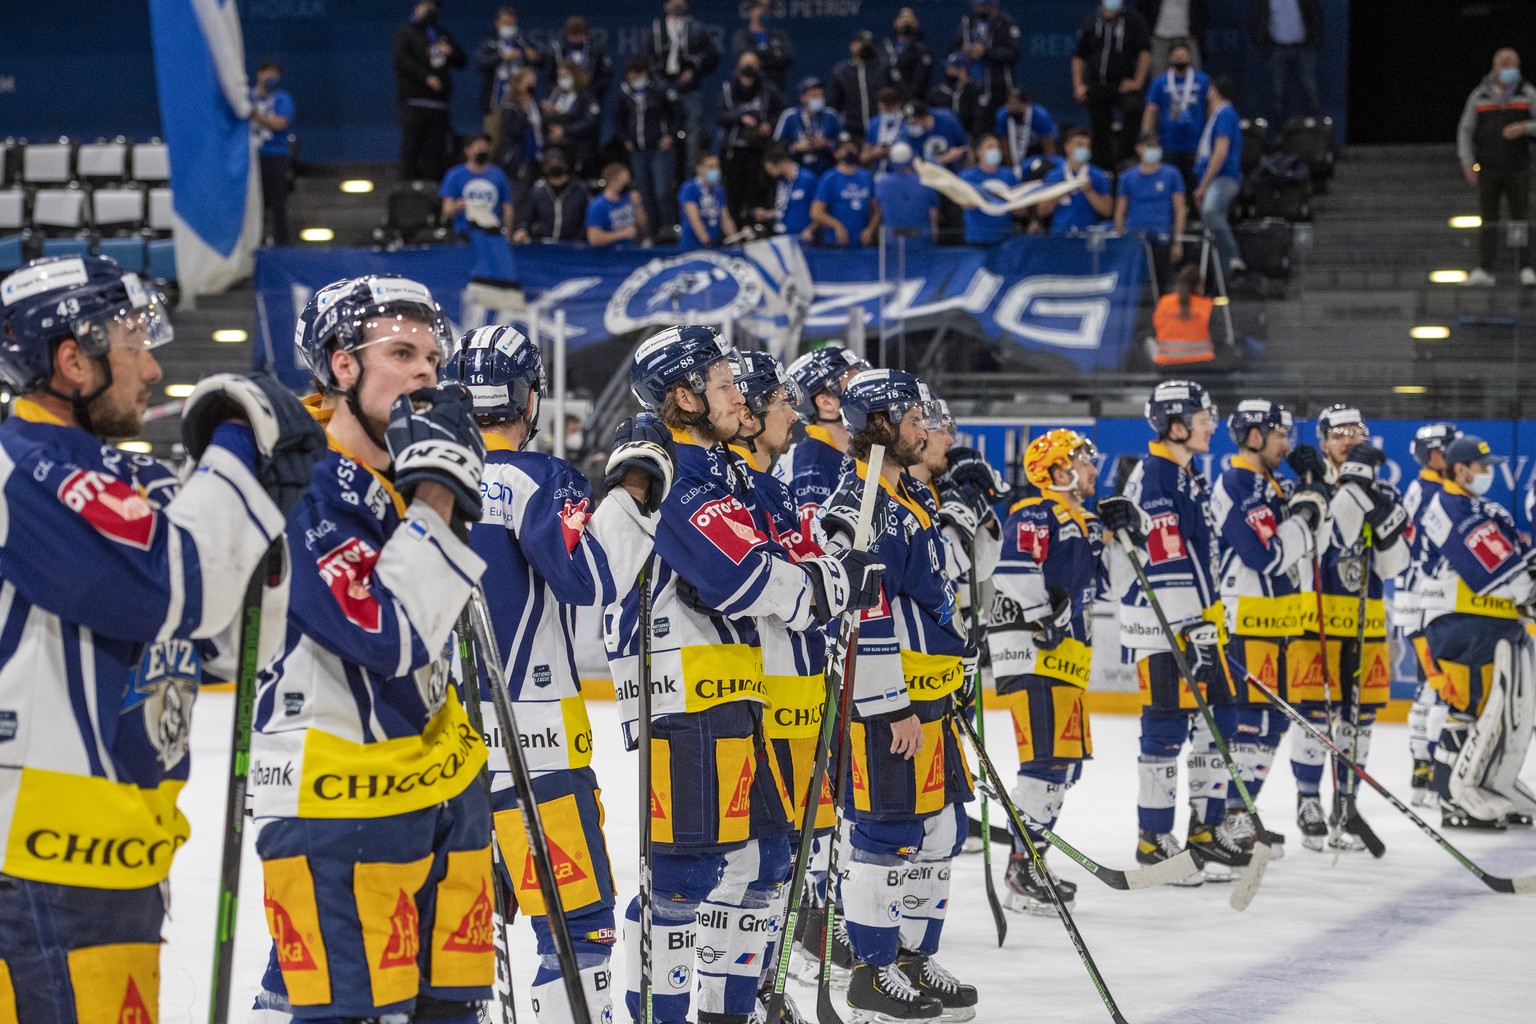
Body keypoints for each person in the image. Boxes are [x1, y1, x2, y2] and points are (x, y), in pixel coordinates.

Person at [0, 254, 322, 1024]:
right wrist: (240, 451)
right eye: (131, 343)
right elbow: (168, 592)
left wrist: (261, 537)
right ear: (72, 360)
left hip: (118, 853)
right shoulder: (22, 468)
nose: (152, 366)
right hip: (44, 865)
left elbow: (229, 643)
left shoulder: (123, 474)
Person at [604, 326, 882, 1024]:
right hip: (683, 697)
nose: (741, 396)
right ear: (683, 397)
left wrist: (830, 556)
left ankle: (729, 1013)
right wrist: (825, 586)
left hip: (738, 691)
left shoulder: (722, 471)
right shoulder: (673, 471)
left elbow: (786, 554)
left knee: (766, 861)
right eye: (724, 385)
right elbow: (746, 578)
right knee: (681, 878)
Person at [247, 275, 494, 1023]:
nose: (426, 371)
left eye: (431, 355)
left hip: (435, 797)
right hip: (339, 809)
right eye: (399, 352)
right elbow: (385, 635)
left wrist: (467, 808)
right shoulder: (303, 476)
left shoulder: (399, 478)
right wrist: (443, 496)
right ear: (341, 366)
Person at [446, 324, 672, 1024]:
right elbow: (589, 578)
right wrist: (633, 490)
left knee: (455, 935)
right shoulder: (535, 477)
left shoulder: (419, 476)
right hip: (534, 740)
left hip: (439, 740)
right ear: (529, 396)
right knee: (579, 928)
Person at [818, 368, 986, 1023]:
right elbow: (865, 612)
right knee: (889, 834)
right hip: (892, 705)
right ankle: (871, 973)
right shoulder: (860, 500)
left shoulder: (908, 494)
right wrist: (891, 704)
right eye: (915, 420)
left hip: (931, 695)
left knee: (941, 828)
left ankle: (912, 960)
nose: (927, 429)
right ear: (882, 426)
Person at [1098, 380, 1242, 881]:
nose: (1212, 424)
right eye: (1204, 417)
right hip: (1168, 630)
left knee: (1217, 723)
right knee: (1166, 729)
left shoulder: (1183, 472)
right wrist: (1194, 627)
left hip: (1198, 625)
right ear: (1176, 425)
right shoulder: (1158, 476)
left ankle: (1206, 829)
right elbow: (1165, 564)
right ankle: (1154, 838)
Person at [718, 351, 824, 1024]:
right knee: (750, 859)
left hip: (797, 697)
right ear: (750, 414)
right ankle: (735, 994)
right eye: (783, 401)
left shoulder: (777, 489)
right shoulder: (736, 489)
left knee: (780, 856)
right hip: (759, 705)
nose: (795, 412)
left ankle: (755, 986)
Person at [990, 429, 1105, 912]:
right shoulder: (1036, 510)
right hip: (1033, 656)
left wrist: (1125, 529)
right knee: (1044, 767)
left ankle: (1030, 857)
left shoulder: (1082, 519)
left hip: (1064, 661)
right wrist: (1045, 613)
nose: (1092, 468)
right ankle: (1022, 868)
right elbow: (1014, 569)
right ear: (1058, 471)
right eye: (1082, 461)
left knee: (1063, 769)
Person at [1211, 400, 1327, 860]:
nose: (1288, 444)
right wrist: (1303, 514)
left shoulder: (1273, 483)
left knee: (1275, 722)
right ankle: (1230, 815)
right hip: (1247, 621)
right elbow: (1266, 555)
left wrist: (1314, 489)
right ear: (1254, 436)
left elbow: (1313, 543)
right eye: (1280, 434)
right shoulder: (1236, 483)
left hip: (1280, 621)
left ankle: (1244, 810)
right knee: (1250, 723)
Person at [1299, 405, 1411, 850]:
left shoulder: (1383, 490)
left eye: (1356, 432)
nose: (1349, 440)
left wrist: (1383, 523)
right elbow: (1317, 543)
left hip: (1366, 622)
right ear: (1324, 441)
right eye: (1339, 433)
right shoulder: (1312, 483)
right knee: (1315, 716)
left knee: (1359, 720)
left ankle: (1347, 802)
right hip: (1316, 620)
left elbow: (1394, 564)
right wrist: (1352, 491)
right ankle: (1308, 800)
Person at [1416, 434, 1536, 829]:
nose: (1488, 473)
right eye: (1482, 467)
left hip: (1491, 619)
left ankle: (1492, 783)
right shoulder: (1449, 507)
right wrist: (1528, 589)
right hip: (1460, 621)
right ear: (1460, 468)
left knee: (1507, 709)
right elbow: (1497, 569)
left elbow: (1515, 555)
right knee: (1467, 707)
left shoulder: (1478, 506)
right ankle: (1452, 795)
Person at [1396, 423, 1461, 803]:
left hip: (1416, 603)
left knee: (1429, 687)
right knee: (1437, 686)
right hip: (1425, 605)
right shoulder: (1433, 493)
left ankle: (1422, 766)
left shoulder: (1421, 489)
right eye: (1450, 450)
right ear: (1434, 455)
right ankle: (1429, 766)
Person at [1457, 48, 1536, 287]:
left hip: (1517, 166)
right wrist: (1467, 161)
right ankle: (1485, 268)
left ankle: (1524, 266)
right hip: (1489, 167)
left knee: (1519, 219)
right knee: (1488, 218)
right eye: (1505, 65)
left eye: (1514, 65)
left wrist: (1525, 128)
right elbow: (1465, 130)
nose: (1510, 70)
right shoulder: (1480, 95)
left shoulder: (1527, 93)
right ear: (1495, 68)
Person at [776, 345, 868, 536]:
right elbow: (813, 547)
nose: (865, 393)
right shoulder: (810, 463)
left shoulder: (841, 454)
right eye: (854, 383)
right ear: (826, 403)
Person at [1072, 0, 1152, 171]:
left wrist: (1137, 81)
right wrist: (1079, 84)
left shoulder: (1134, 20)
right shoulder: (1092, 21)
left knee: (1133, 109)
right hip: (1098, 83)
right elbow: (1079, 56)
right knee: (1100, 127)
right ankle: (1103, 168)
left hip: (1123, 84)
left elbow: (1145, 51)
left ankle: (1126, 157)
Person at [393, 0, 465, 183]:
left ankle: (433, 195)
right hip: (415, 102)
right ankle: (407, 193)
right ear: (417, 7)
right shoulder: (405, 33)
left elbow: (462, 60)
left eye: (435, 8)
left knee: (436, 152)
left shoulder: (441, 34)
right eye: (428, 7)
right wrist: (426, 77)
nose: (432, 11)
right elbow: (402, 61)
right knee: (411, 149)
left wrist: (450, 51)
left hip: (439, 104)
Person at [649, 0, 720, 174]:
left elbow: (712, 56)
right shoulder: (657, 29)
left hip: (689, 89)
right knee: (665, 135)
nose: (677, 4)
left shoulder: (697, 28)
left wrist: (693, 72)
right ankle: (668, 180)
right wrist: (660, 83)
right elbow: (649, 58)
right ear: (666, 5)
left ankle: (690, 181)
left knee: (692, 137)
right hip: (664, 89)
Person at [617, 56, 681, 240]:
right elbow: (618, 117)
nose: (632, 80)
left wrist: (671, 135)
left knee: (662, 192)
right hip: (638, 151)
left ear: (644, 74)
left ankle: (669, 232)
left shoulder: (661, 89)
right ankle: (653, 234)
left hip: (660, 150)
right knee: (645, 194)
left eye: (635, 76)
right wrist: (625, 138)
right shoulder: (625, 93)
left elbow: (678, 113)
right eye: (629, 76)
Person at [1116, 132, 1187, 293]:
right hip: (1135, 239)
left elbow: (1180, 209)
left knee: (1165, 284)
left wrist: (1178, 242)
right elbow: (1120, 211)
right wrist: (1121, 239)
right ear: (1139, 149)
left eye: (1156, 146)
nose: (1154, 150)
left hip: (1162, 238)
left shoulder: (1172, 174)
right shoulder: (1127, 177)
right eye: (1149, 146)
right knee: (1134, 286)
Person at [717, 55, 785, 224]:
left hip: (758, 149)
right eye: (745, 64)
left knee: (758, 191)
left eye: (753, 64)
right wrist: (740, 117)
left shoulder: (768, 89)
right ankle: (735, 230)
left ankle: (756, 228)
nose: (749, 67)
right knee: (734, 192)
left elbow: (781, 113)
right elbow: (719, 115)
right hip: (734, 149)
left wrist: (769, 125)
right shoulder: (728, 89)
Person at [1140, 39, 1208, 198]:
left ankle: (1195, 217)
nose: (1180, 59)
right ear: (1169, 58)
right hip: (1168, 144)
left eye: (1183, 56)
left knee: (1195, 183)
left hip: (1196, 144)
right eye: (1176, 56)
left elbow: (1211, 107)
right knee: (1169, 185)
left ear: (1190, 57)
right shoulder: (1160, 82)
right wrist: (1146, 137)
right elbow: (1151, 111)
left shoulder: (1202, 80)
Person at [1193, 76, 1245, 277]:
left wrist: (1204, 184)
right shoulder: (1217, 115)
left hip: (1222, 177)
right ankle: (1223, 273)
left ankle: (1233, 256)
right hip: (1215, 178)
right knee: (1212, 225)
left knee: (1210, 211)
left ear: (1214, 91)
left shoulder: (1225, 114)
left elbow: (1220, 152)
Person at [1249, 0, 1323, 125]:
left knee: (1310, 91)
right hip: (1277, 50)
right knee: (1278, 94)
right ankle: (1281, 135)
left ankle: (1316, 132)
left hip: (1303, 49)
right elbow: (1255, 20)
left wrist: (1313, 42)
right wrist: (1265, 47)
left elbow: (1316, 15)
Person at [475, 7, 540, 148]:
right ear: (497, 23)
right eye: (505, 24)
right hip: (495, 104)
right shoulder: (490, 42)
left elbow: (541, 60)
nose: (508, 28)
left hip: (519, 106)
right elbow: (480, 62)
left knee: (517, 144)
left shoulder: (522, 43)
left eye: (511, 24)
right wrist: (502, 56)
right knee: (492, 145)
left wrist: (531, 55)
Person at [949, 0, 1021, 128]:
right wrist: (966, 51)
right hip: (969, 85)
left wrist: (985, 52)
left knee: (991, 126)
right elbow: (954, 47)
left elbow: (1013, 55)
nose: (978, 8)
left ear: (993, 5)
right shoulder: (968, 22)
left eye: (982, 5)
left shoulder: (1005, 23)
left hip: (995, 87)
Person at [251, 59, 294, 246]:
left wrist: (254, 115)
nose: (271, 76)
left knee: (278, 203)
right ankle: (255, 242)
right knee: (255, 204)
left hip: (276, 155)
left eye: (275, 73)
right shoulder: (248, 98)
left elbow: (280, 123)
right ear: (259, 74)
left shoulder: (282, 99)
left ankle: (281, 244)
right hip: (252, 157)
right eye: (267, 72)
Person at [1038, 128, 1113, 234]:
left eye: (1087, 146)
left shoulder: (1099, 176)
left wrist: (1089, 191)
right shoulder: (1053, 176)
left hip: (1086, 235)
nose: (1084, 149)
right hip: (1059, 235)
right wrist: (1060, 192)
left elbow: (1107, 211)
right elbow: (1041, 212)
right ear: (1067, 147)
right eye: (1079, 145)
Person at [441, 133, 514, 240]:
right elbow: (446, 210)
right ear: (467, 150)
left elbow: (507, 207)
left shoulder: (498, 174)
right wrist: (459, 205)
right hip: (464, 234)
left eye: (485, 146)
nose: (483, 150)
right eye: (478, 146)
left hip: (493, 233)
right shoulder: (455, 175)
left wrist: (508, 236)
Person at [812, 138, 879, 248]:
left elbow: (876, 210)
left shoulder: (867, 176)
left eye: (852, 148)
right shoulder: (829, 178)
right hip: (836, 242)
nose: (849, 151)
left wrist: (870, 229)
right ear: (836, 153)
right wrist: (837, 225)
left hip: (862, 242)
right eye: (844, 148)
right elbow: (816, 212)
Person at [542, 62, 603, 180]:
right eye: (560, 76)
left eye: (565, 76)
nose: (562, 79)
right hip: (560, 150)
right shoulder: (557, 95)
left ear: (575, 75)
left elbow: (589, 123)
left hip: (580, 151)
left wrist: (564, 130)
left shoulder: (586, 96)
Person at [513, 152, 591, 242]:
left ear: (566, 165)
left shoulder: (579, 191)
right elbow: (526, 219)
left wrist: (579, 239)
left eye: (558, 163)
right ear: (544, 168)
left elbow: (588, 220)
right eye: (550, 164)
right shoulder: (538, 192)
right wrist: (522, 230)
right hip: (544, 245)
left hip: (573, 245)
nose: (554, 166)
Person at [775, 76, 844, 179]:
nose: (818, 99)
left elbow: (845, 143)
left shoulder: (831, 115)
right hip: (796, 174)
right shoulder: (789, 116)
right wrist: (795, 147)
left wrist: (827, 144)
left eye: (820, 95)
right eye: (813, 96)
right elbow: (776, 147)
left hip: (826, 172)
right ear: (802, 97)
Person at [829, 30, 893, 141]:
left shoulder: (883, 69)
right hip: (852, 132)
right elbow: (834, 105)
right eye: (862, 43)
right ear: (852, 45)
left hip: (880, 130)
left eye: (868, 44)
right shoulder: (842, 72)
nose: (865, 47)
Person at [1150, 265, 1214, 367]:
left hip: (1166, 366)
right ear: (1199, 285)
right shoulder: (1207, 306)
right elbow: (1218, 337)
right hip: (1201, 366)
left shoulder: (1164, 303)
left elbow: (1154, 330)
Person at [875, 141, 938, 244]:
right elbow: (933, 216)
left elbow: (878, 211)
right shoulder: (926, 182)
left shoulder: (882, 183)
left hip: (893, 240)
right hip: (921, 239)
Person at [496, 67, 545, 200]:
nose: (532, 87)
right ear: (518, 84)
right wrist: (523, 112)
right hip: (517, 160)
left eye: (533, 83)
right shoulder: (510, 106)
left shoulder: (535, 105)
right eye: (528, 83)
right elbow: (514, 131)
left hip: (535, 158)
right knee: (517, 197)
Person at [960, 135, 1019, 245]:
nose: (995, 150)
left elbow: (1017, 203)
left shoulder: (1009, 175)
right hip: (978, 237)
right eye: (990, 147)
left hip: (1004, 236)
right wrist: (993, 196)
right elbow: (965, 203)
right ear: (979, 152)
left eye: (997, 147)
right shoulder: (967, 176)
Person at [756, 144, 818, 241]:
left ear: (780, 163)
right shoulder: (780, 182)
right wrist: (767, 214)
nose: (770, 174)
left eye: (770, 170)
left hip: (804, 238)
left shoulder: (807, 179)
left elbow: (821, 209)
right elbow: (784, 209)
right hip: (783, 237)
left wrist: (811, 230)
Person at [544, 16, 612, 105]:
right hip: (563, 100)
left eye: (579, 35)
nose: (575, 39)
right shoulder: (559, 52)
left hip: (589, 98)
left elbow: (605, 77)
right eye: (572, 35)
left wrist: (591, 93)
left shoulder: (595, 51)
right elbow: (548, 77)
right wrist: (557, 92)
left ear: (585, 34)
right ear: (567, 34)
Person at [732, 0, 795, 92]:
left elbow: (788, 56)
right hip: (749, 91)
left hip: (776, 87)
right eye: (761, 8)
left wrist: (759, 60)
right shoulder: (741, 35)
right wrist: (773, 53)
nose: (765, 12)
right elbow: (743, 54)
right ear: (751, 11)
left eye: (767, 9)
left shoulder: (779, 34)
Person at [678, 152, 736, 249]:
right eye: (711, 167)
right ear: (699, 168)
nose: (716, 170)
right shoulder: (689, 188)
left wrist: (735, 242)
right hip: (692, 246)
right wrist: (707, 242)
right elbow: (694, 219)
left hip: (714, 245)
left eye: (717, 166)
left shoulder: (719, 190)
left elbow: (725, 218)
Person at [1136, 0, 1208, 75]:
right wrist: (1149, 34)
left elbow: (1201, 11)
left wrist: (1196, 33)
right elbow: (1143, 10)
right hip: (1159, 37)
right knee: (1158, 73)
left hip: (1187, 36)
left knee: (1195, 74)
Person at [994, 88, 1059, 170]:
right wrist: (1010, 170)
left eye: (1016, 104)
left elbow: (1048, 144)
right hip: (1014, 151)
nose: (1013, 108)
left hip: (1037, 150)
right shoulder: (1003, 115)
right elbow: (1004, 144)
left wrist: (1050, 167)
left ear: (1026, 104)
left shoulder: (1040, 115)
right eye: (1010, 104)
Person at [586, 162, 648, 246]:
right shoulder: (598, 205)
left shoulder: (629, 198)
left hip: (632, 250)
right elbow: (594, 238)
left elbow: (643, 226)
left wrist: (638, 206)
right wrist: (623, 234)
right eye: (624, 182)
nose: (627, 185)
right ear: (613, 182)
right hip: (611, 254)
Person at [881, 8, 935, 104]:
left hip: (914, 102)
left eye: (910, 19)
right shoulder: (886, 47)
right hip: (889, 103)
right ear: (896, 22)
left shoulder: (922, 50)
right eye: (903, 18)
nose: (906, 21)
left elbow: (920, 81)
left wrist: (908, 101)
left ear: (916, 23)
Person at [900, 100, 969, 167]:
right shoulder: (906, 134)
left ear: (925, 118)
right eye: (908, 124)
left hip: (953, 172)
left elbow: (964, 145)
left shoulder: (947, 119)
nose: (911, 126)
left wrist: (960, 154)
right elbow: (914, 165)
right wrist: (943, 159)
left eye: (914, 123)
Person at [929, 55, 985, 138]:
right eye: (948, 68)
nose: (948, 71)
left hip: (969, 135)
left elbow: (979, 119)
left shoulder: (975, 91)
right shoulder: (938, 93)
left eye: (952, 68)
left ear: (963, 70)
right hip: (944, 136)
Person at [863, 86, 908, 170]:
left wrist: (893, 152)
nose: (887, 112)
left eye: (890, 109)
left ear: (898, 105)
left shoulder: (907, 124)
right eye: (884, 109)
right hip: (878, 173)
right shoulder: (874, 123)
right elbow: (864, 156)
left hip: (900, 172)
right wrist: (875, 152)